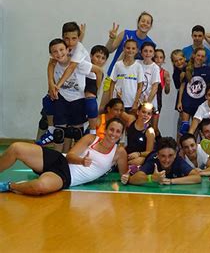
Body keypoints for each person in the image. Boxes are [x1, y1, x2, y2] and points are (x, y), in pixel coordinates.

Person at [0, 118, 128, 194]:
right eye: (111, 129)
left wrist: (131, 173)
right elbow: (70, 156)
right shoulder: (91, 138)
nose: (114, 134)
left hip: (66, 176)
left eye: (118, 132)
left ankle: (9, 186)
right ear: (105, 130)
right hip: (59, 159)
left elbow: (125, 175)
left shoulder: (119, 152)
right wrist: (81, 161)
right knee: (16, 148)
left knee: (39, 187)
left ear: (121, 135)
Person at [39, 38, 102, 152]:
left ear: (68, 50)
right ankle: (56, 157)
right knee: (59, 132)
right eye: (55, 51)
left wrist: (96, 91)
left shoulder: (79, 64)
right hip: (62, 100)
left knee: (76, 133)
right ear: (51, 55)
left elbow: (99, 71)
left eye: (61, 50)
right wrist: (52, 88)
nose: (59, 53)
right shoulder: (53, 64)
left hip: (78, 100)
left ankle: (75, 157)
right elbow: (51, 78)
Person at [121, 137, 201, 186]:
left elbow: (197, 177)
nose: (167, 160)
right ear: (158, 155)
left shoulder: (178, 160)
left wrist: (171, 181)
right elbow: (132, 179)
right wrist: (151, 178)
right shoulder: (153, 160)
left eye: (170, 155)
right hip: (147, 158)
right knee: (134, 164)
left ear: (175, 155)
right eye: (163, 156)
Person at [105, 11, 155, 76]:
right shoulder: (125, 34)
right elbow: (108, 50)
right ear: (138, 23)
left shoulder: (150, 44)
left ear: (150, 26)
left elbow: (148, 65)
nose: (145, 24)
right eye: (143, 21)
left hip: (132, 80)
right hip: (113, 75)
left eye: (148, 22)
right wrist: (111, 39)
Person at [109, 39, 145, 113]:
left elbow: (140, 86)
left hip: (131, 103)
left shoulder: (138, 66)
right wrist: (111, 100)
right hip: (118, 103)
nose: (130, 50)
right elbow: (112, 83)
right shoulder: (118, 65)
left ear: (137, 50)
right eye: (128, 48)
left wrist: (135, 102)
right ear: (124, 49)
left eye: (133, 48)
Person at [121, 102, 156, 167]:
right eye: (143, 112)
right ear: (138, 112)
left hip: (139, 157)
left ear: (151, 116)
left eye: (149, 113)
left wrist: (138, 154)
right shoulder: (131, 120)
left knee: (138, 161)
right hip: (127, 154)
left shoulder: (149, 131)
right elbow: (119, 111)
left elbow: (149, 152)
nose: (145, 115)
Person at [153, 48, 171, 123]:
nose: (158, 59)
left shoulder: (165, 73)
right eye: (156, 57)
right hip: (146, 99)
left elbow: (167, 91)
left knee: (154, 126)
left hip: (157, 101)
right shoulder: (148, 70)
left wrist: (167, 84)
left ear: (163, 60)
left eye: (161, 57)